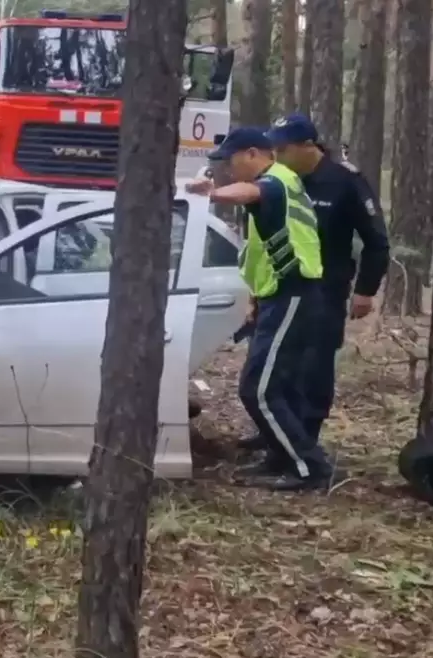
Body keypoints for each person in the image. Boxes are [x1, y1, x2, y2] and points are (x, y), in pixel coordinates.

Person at [186, 128, 337, 491]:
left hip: (294, 294)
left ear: (252, 153)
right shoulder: (275, 185)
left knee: (260, 389)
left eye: (231, 159)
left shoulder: (276, 180)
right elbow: (260, 250)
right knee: (276, 387)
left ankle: (310, 469)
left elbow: (251, 192)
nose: (227, 168)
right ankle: (280, 457)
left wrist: (213, 193)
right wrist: (255, 296)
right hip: (278, 296)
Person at [234, 114, 390, 452]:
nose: (276, 154)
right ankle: (276, 440)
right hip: (279, 288)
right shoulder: (280, 179)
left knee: (312, 367)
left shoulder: (345, 181)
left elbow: (376, 239)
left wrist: (366, 290)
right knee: (275, 367)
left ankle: (306, 446)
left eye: (283, 148)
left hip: (326, 289)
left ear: (308, 146)